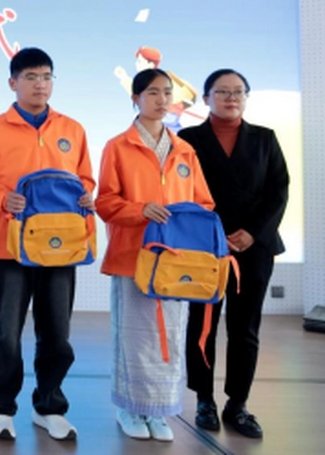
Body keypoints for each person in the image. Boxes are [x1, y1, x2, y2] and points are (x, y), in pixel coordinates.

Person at [0, 47, 95, 442]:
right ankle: (1, 408)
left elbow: (85, 179)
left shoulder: (72, 129)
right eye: (32, 77)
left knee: (56, 333)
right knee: (5, 334)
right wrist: (3, 198)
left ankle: (49, 406)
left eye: (47, 77)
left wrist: (87, 195)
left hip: (62, 246)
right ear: (13, 82)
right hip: (9, 248)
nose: (41, 85)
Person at [96, 68, 215, 443]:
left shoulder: (185, 150)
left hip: (176, 263)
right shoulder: (118, 147)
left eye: (166, 92)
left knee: (171, 337)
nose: (162, 99)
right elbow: (105, 202)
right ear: (135, 99)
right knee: (133, 337)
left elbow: (204, 202)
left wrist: (187, 223)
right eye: (152, 92)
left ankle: (160, 411)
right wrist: (140, 210)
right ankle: (129, 408)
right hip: (133, 257)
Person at [178, 69, 289, 439]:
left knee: (245, 328)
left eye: (238, 91)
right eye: (222, 91)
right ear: (206, 98)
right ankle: (204, 400)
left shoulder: (265, 138)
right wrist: (210, 235)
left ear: (246, 97)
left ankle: (237, 404)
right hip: (204, 247)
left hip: (254, 248)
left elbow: (279, 191)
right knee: (202, 326)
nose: (231, 98)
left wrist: (253, 233)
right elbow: (180, 192)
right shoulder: (187, 139)